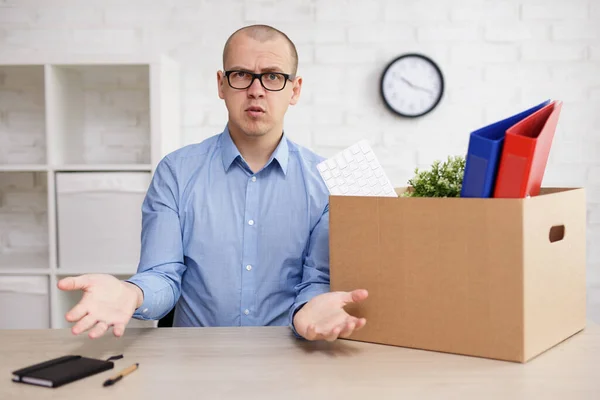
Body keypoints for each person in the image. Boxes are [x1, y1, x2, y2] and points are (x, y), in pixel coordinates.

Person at [57, 24, 368, 342]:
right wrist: (131, 292)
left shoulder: (328, 181)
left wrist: (309, 309)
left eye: (273, 76)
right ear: (222, 84)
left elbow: (316, 278)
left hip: (289, 357)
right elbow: (162, 275)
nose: (256, 90)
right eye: (241, 75)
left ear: (295, 89)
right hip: (193, 361)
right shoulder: (176, 172)